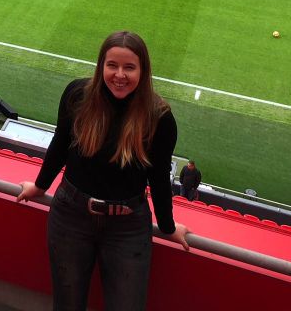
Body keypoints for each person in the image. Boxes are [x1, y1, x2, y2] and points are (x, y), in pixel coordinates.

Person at [16, 31, 191, 311]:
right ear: (101, 66)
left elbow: (159, 177)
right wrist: (40, 186)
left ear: (143, 71)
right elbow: (60, 145)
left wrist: (167, 227)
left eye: (129, 67)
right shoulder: (77, 95)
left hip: (128, 227)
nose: (119, 75)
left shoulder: (159, 117)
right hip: (70, 216)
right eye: (112, 65)